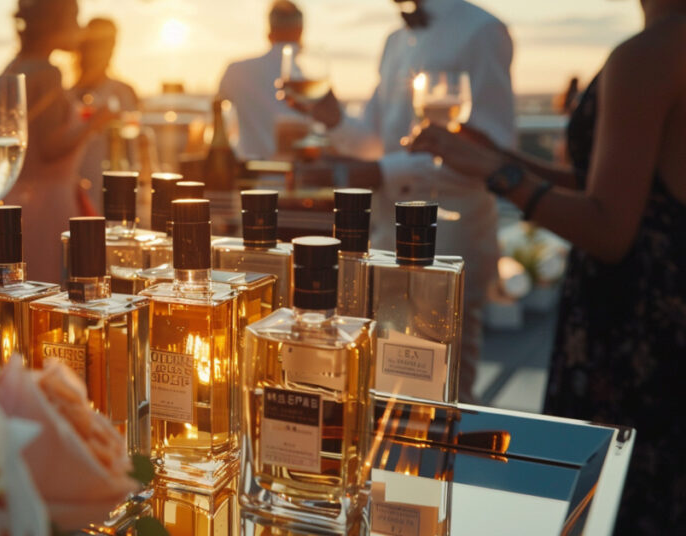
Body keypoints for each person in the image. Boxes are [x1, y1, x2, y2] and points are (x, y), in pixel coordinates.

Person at [411, 1, 686, 531]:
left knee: (622, 507)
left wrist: (494, 172)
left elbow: (609, 229)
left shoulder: (648, 54)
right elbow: (608, 187)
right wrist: (504, 157)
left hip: (636, 328)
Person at [305, 0, 515, 403]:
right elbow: (376, 143)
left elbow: (492, 148)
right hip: (386, 234)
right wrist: (334, 119)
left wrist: (384, 172)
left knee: (444, 387)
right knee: (387, 379)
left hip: (450, 234)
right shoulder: (394, 41)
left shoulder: (483, 30)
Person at [2, 0, 113, 283]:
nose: (79, 29)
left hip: (17, 201)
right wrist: (94, 122)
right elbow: (49, 148)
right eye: (74, 19)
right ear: (55, 23)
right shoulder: (48, 72)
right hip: (50, 207)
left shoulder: (13, 66)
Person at [217, 0, 306, 160]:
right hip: (297, 178)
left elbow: (215, 113)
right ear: (300, 32)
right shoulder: (309, 82)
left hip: (249, 176)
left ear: (269, 33)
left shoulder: (236, 72)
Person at [71, 17, 138, 216]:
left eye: (111, 45)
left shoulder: (123, 92)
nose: (107, 51)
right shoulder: (66, 96)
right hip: (75, 187)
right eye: (100, 45)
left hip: (114, 190)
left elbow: (133, 150)